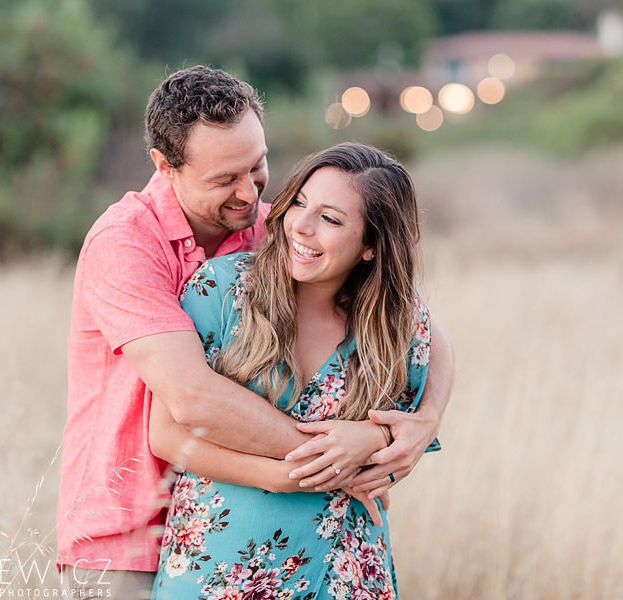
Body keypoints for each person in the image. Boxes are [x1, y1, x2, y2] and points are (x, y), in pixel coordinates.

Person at [57, 66, 453, 599]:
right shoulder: (124, 243)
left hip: (240, 521)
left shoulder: (275, 230)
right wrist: (340, 461)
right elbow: (193, 398)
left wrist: (417, 425)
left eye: (258, 165)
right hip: (127, 529)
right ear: (165, 166)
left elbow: (416, 322)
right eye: (224, 179)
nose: (248, 193)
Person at [151, 142, 438, 599]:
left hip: (344, 567)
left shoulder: (398, 327)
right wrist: (278, 476)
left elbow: (404, 441)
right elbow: (165, 437)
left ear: (371, 246)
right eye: (299, 203)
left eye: (330, 219)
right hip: (216, 567)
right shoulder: (221, 290)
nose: (299, 226)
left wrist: (378, 438)